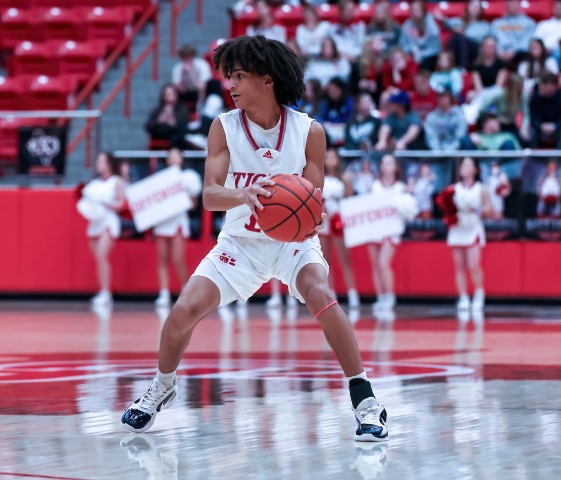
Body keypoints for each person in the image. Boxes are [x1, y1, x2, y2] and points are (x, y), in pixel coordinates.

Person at [121, 35, 389, 442]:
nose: (229, 84)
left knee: (321, 294)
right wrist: (242, 194)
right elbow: (209, 195)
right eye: (228, 76)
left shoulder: (309, 132)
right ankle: (162, 386)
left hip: (291, 243)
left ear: (268, 79)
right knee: (183, 310)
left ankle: (365, 400)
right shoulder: (223, 127)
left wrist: (315, 217)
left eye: (239, 76)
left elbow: (313, 200)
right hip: (239, 244)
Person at [153, 148, 203, 307]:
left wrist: (181, 199)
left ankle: (185, 290)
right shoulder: (159, 180)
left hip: (178, 221)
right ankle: (164, 293)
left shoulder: (189, 178)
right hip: (162, 221)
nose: (174, 158)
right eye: (171, 156)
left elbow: (193, 205)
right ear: (167, 160)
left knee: (178, 259)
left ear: (181, 159)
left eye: (177, 155)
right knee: (162, 258)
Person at [77, 152, 125, 307]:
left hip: (109, 221)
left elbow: (121, 204)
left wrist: (105, 203)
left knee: (102, 255)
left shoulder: (117, 181)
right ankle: (103, 291)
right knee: (99, 258)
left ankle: (106, 293)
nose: (98, 164)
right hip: (95, 222)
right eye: (97, 161)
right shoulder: (94, 184)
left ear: (109, 164)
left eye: (101, 161)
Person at [447, 157, 493, 311]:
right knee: (459, 266)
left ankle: (479, 293)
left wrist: (476, 209)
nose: (464, 168)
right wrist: (452, 213)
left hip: (473, 228)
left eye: (468, 165)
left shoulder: (480, 188)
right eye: (463, 165)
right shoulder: (453, 189)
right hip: (458, 228)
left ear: (475, 169)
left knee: (473, 265)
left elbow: (490, 209)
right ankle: (463, 297)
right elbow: (446, 208)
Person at [319, 149, 360, 307]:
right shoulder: (319, 177)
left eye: (333, 158)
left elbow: (350, 202)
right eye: (327, 158)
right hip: (323, 222)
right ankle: (331, 294)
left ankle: (352, 294)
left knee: (345, 259)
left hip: (338, 222)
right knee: (325, 260)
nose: (330, 161)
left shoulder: (344, 179)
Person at [368, 154, 405, 311]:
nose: (387, 166)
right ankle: (380, 296)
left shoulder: (400, 187)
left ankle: (390, 296)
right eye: (384, 163)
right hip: (375, 230)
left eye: (390, 163)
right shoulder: (375, 185)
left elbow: (406, 210)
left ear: (396, 167)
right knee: (376, 265)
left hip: (391, 231)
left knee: (384, 263)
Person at [441, 0, 490, 70]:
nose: (475, 9)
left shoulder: (484, 25)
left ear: (480, 10)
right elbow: (447, 23)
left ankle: (462, 68)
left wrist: (462, 33)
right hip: (461, 47)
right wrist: (440, 17)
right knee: (454, 38)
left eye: (477, 7)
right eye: (473, 6)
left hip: (476, 50)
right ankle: (452, 68)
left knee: (461, 38)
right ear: (468, 7)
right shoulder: (460, 22)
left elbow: (485, 40)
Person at [529, 72, 561, 147]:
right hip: (540, 129)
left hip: (558, 129)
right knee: (531, 132)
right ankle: (534, 154)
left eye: (543, 86)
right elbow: (533, 118)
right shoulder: (535, 98)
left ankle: (559, 154)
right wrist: (541, 126)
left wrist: (555, 126)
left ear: (553, 86)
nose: (539, 88)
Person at [490, 0, 536, 68]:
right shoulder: (496, 23)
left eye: (513, 1)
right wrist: (498, 52)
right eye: (508, 1)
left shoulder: (529, 23)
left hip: (520, 56)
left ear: (519, 3)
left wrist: (513, 51)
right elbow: (491, 41)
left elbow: (527, 43)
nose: (510, 4)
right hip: (499, 56)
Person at [145, 83, 191, 149]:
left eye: (171, 94)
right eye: (167, 94)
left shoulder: (182, 110)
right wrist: (159, 120)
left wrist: (173, 123)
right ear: (163, 96)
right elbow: (148, 127)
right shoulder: (158, 110)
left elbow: (184, 129)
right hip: (159, 143)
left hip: (176, 145)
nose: (169, 97)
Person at [399, 0, 441, 71]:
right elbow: (402, 44)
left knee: (428, 60)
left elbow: (435, 49)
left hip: (429, 57)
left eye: (416, 10)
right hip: (412, 56)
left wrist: (421, 54)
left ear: (423, 11)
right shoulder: (407, 25)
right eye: (412, 10)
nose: (413, 13)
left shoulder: (431, 25)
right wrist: (411, 49)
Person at [317, 77, 354, 146]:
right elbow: (321, 120)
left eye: (334, 90)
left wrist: (335, 126)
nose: (331, 93)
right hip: (329, 132)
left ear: (340, 89)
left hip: (344, 131)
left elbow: (352, 122)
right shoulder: (326, 103)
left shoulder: (349, 101)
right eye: (330, 91)